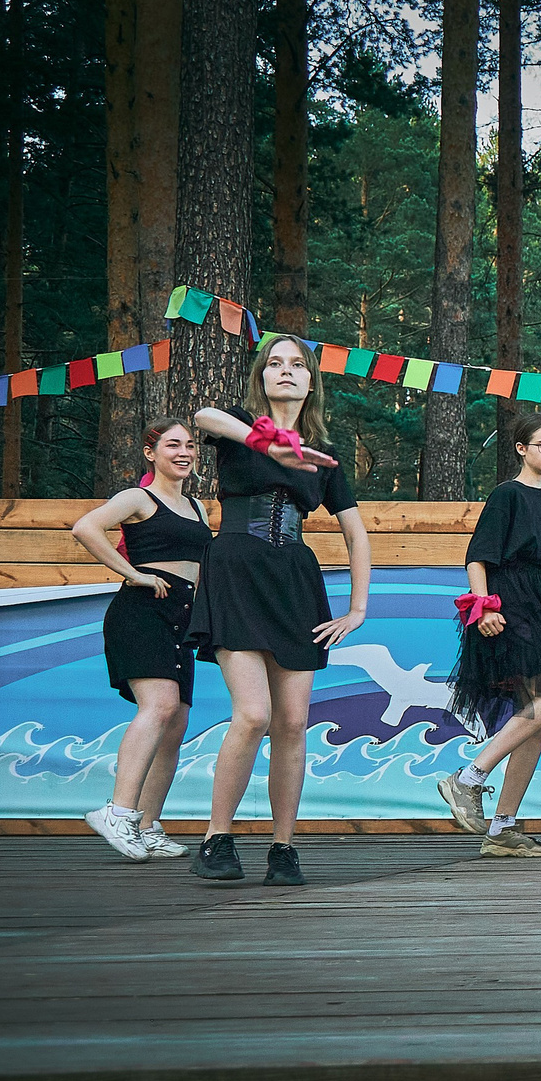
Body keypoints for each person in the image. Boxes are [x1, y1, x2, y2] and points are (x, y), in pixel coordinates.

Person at [187, 333, 372, 887]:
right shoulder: (237, 424)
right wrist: (265, 442)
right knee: (253, 714)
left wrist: (358, 607)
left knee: (293, 722)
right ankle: (217, 839)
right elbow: (202, 416)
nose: (286, 372)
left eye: (297, 365)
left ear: (311, 380)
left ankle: (283, 847)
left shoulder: (325, 455)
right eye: (275, 364)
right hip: (237, 568)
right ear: (260, 377)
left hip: (293, 577)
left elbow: (356, 534)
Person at [436, 415, 541, 858]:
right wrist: (483, 606)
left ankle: (502, 828)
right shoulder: (506, 495)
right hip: (505, 604)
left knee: (538, 722)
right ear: (521, 449)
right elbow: (478, 558)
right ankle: (467, 778)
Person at [73, 418, 213, 862]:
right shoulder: (137, 497)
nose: (184, 452)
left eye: (189, 445)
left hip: (182, 617)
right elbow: (85, 528)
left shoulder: (197, 507)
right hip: (142, 613)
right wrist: (133, 574)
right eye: (173, 445)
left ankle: (148, 823)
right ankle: (117, 812)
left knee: (176, 723)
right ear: (151, 454)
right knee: (160, 707)